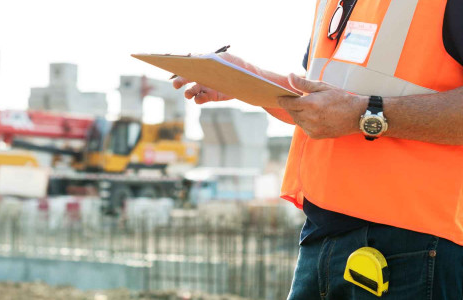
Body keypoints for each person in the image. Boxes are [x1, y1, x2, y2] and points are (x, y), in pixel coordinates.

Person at [173, 0, 463, 299]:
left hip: (414, 245)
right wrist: (246, 78)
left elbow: (348, 110)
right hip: (322, 235)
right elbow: (322, 106)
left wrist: (362, 114)